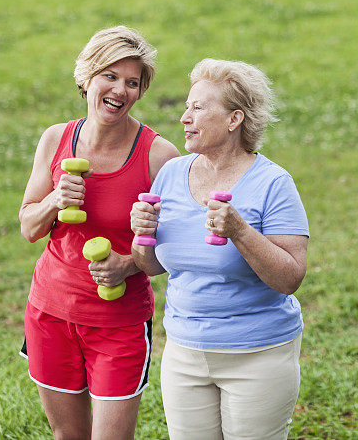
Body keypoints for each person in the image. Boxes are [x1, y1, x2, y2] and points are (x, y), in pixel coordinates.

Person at [130, 58, 310, 439]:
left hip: (258, 355)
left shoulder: (273, 183)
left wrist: (241, 231)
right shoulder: (172, 174)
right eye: (186, 107)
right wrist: (140, 237)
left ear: (234, 119)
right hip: (184, 353)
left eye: (198, 108)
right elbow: (153, 266)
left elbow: (290, 277)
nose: (184, 118)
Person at [18, 26, 180, 439]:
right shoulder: (56, 139)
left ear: (141, 92)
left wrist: (128, 265)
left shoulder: (160, 157)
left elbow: (180, 249)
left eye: (132, 82)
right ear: (87, 77)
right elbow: (28, 226)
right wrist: (56, 200)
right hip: (50, 312)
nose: (119, 90)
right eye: (109, 76)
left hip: (119, 323)